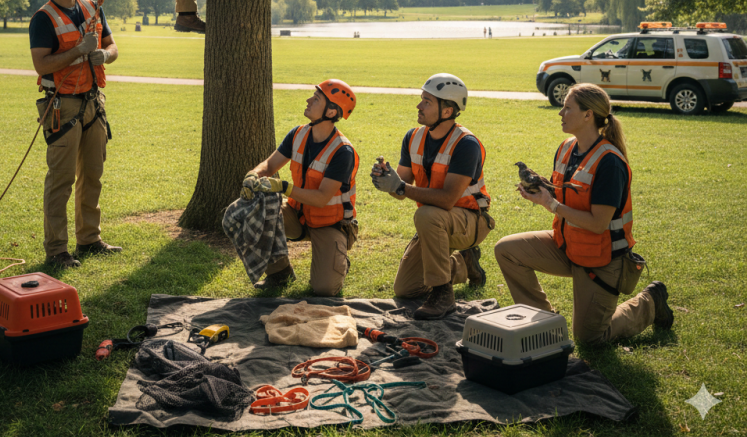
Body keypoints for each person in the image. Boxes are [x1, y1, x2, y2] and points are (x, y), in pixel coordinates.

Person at [495, 83, 674, 343]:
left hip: (601, 259)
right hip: (567, 244)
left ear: (588, 115)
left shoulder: (610, 162)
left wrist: (550, 204)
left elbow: (598, 224)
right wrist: (542, 188)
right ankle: (545, 322)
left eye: (568, 108)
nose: (561, 113)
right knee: (506, 250)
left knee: (591, 338)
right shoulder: (567, 147)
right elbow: (568, 194)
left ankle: (651, 302)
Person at [371, 73, 494, 320]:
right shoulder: (413, 137)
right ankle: (464, 263)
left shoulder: (466, 144)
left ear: (447, 111)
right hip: (437, 222)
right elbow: (401, 189)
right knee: (406, 289)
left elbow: (448, 199)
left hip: (472, 220)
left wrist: (401, 187)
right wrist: (388, 181)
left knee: (427, 214)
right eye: (421, 99)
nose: (419, 106)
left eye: (427, 101)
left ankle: (443, 294)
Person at [29, 0, 121, 268]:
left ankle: (89, 239)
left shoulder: (92, 7)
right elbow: (42, 64)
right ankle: (56, 250)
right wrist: (77, 51)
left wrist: (104, 56)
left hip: (93, 102)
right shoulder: (44, 18)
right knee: (62, 178)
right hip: (62, 106)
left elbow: (113, 46)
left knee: (93, 173)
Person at [241, 80, 359, 296]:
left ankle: (339, 258)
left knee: (324, 289)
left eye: (316, 99)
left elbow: (322, 198)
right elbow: (270, 165)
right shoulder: (298, 134)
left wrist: (283, 187)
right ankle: (280, 273)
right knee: (253, 212)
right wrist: (253, 174)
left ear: (331, 111)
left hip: (330, 224)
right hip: (299, 215)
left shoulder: (343, 151)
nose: (308, 100)